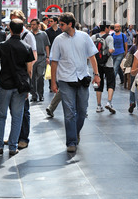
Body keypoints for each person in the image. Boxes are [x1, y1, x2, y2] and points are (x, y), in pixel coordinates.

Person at [50, 12, 100, 152]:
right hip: (66, 80)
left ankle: (75, 131)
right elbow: (54, 62)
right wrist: (53, 82)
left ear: (70, 24)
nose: (59, 27)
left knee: (82, 111)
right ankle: (71, 141)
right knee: (69, 112)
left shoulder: (84, 37)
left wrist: (96, 74)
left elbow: (92, 56)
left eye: (62, 24)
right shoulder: (59, 40)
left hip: (82, 78)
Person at [0, 18, 35, 156]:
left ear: (9, 29)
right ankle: (13, 147)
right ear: (22, 30)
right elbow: (29, 71)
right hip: (20, 86)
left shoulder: (2, 46)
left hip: (5, 85)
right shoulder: (26, 48)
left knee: (1, 115)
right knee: (17, 116)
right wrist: (28, 87)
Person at [9, 10, 37, 150]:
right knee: (13, 109)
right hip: (10, 78)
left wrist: (27, 79)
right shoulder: (10, 35)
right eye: (12, 20)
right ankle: (14, 135)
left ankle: (23, 138)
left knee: (24, 109)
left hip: (22, 77)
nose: (14, 23)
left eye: (16, 20)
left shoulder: (28, 35)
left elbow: (33, 57)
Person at [91, 21, 115, 113]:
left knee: (98, 83)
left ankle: (98, 105)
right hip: (108, 64)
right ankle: (109, 102)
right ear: (106, 28)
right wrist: (108, 53)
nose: (109, 30)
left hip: (97, 64)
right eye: (109, 28)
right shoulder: (109, 37)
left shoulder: (93, 37)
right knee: (111, 82)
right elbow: (111, 49)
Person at [45, 16, 63, 117]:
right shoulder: (48, 31)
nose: (50, 22)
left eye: (51, 21)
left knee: (63, 87)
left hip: (63, 58)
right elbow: (47, 45)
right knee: (53, 72)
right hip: (53, 55)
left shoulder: (62, 32)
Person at [30, 18, 50, 102]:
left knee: (40, 76)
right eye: (31, 25)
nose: (32, 26)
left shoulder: (43, 34)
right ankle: (34, 95)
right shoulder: (29, 34)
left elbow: (46, 46)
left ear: (38, 25)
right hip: (31, 58)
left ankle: (41, 94)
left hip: (41, 57)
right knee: (32, 76)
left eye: (34, 24)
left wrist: (48, 57)